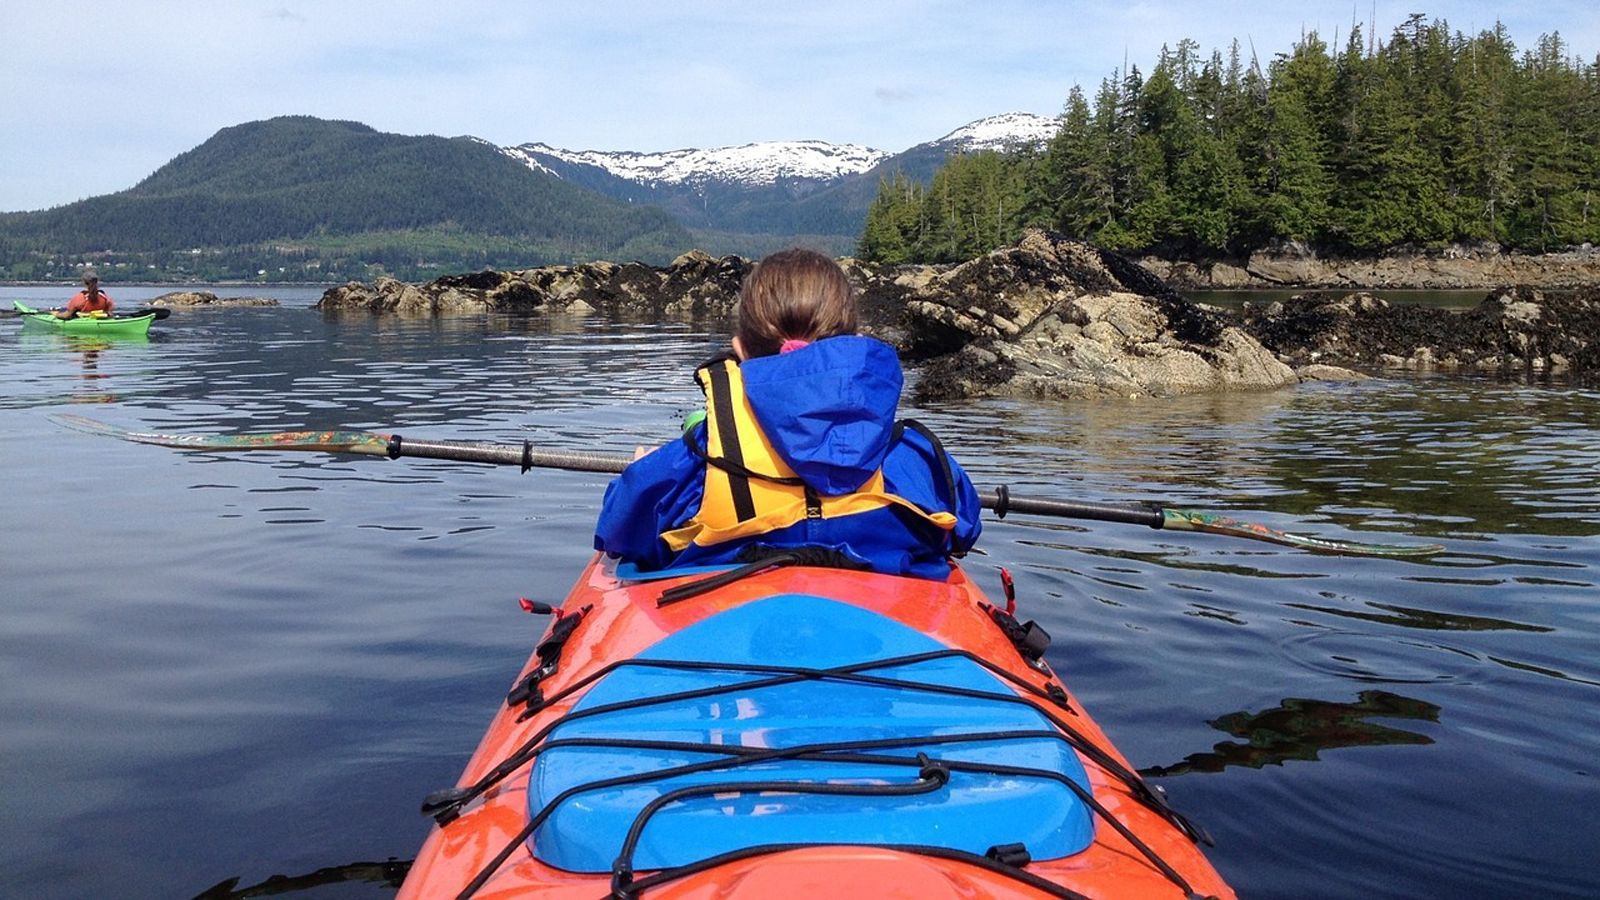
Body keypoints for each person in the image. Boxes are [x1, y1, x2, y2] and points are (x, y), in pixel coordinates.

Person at [593, 248, 981, 580]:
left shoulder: (696, 461)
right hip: (889, 642)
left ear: (740, 350)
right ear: (855, 344)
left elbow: (617, 533)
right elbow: (966, 526)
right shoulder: (914, 461)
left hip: (729, 634)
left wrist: (638, 474)